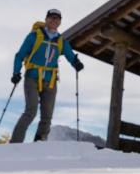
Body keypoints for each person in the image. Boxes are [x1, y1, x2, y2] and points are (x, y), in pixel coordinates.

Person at [10, 8, 84, 143]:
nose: (54, 20)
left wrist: (76, 63)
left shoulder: (61, 41)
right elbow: (20, 55)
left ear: (60, 22)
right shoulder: (34, 36)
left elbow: (70, 55)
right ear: (46, 19)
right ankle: (15, 143)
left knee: (47, 116)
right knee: (30, 111)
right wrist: (16, 72)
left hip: (50, 81)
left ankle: (39, 144)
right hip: (32, 77)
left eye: (57, 18)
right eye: (51, 17)